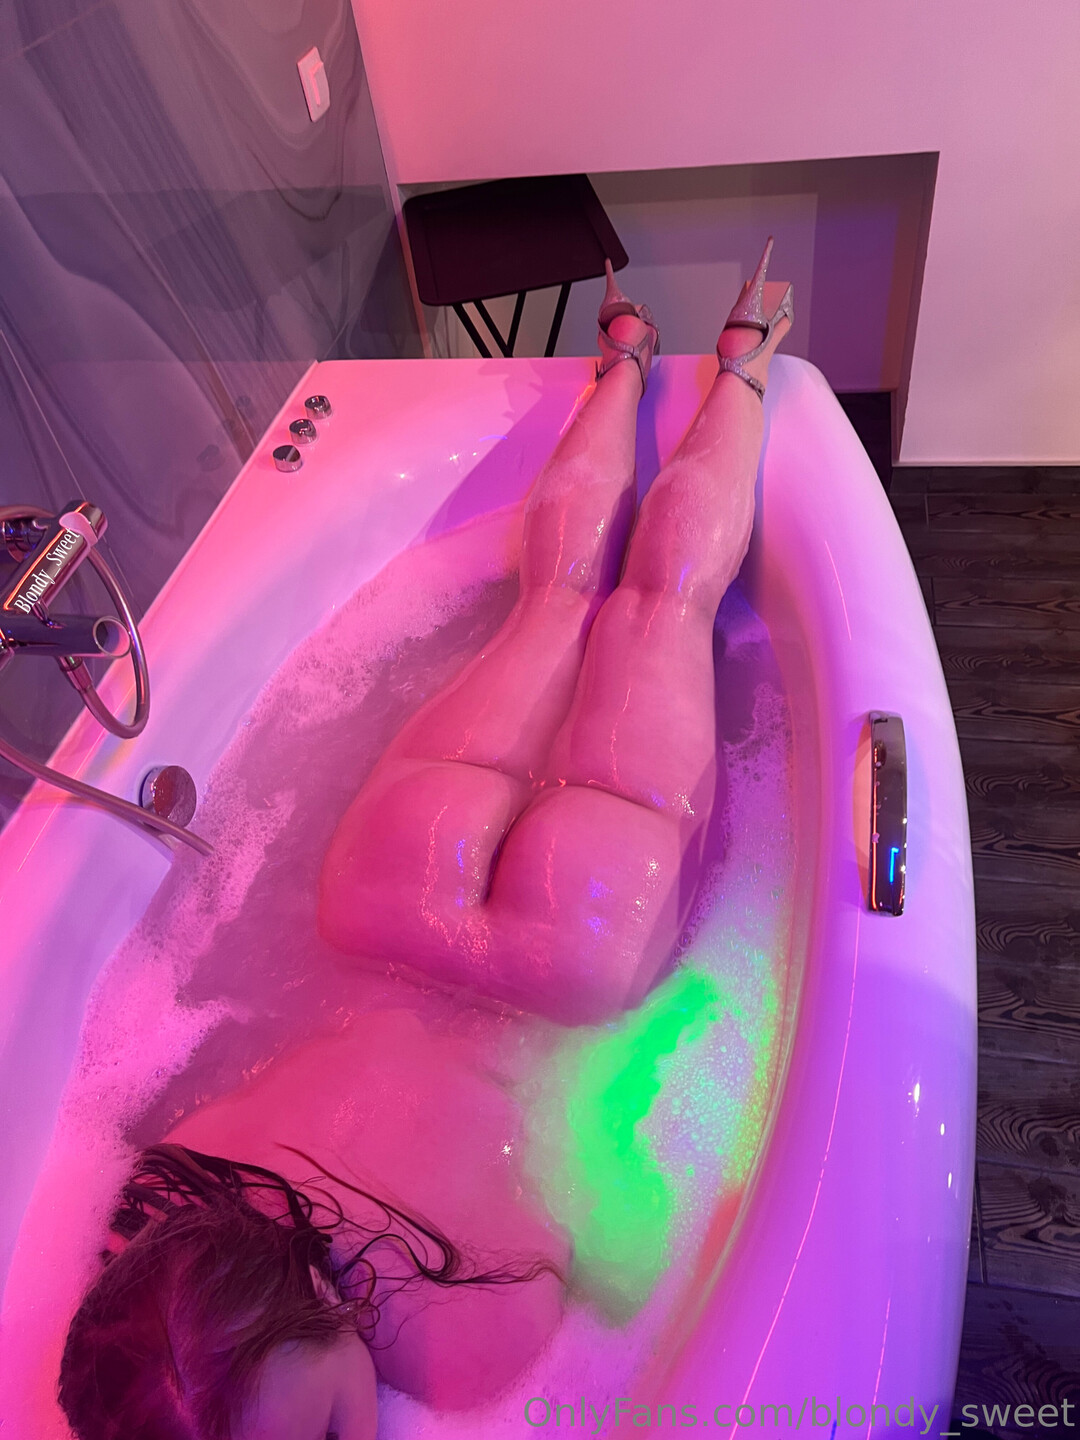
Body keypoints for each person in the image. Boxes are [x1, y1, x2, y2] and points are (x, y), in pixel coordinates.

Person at [58, 243, 793, 1440]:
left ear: (318, 1304)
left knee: (664, 604)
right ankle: (629, 358)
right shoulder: (153, 1207)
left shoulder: (460, 1354)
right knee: (557, 599)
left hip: (565, 962)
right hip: (388, 896)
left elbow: (609, 1242)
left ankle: (745, 363)